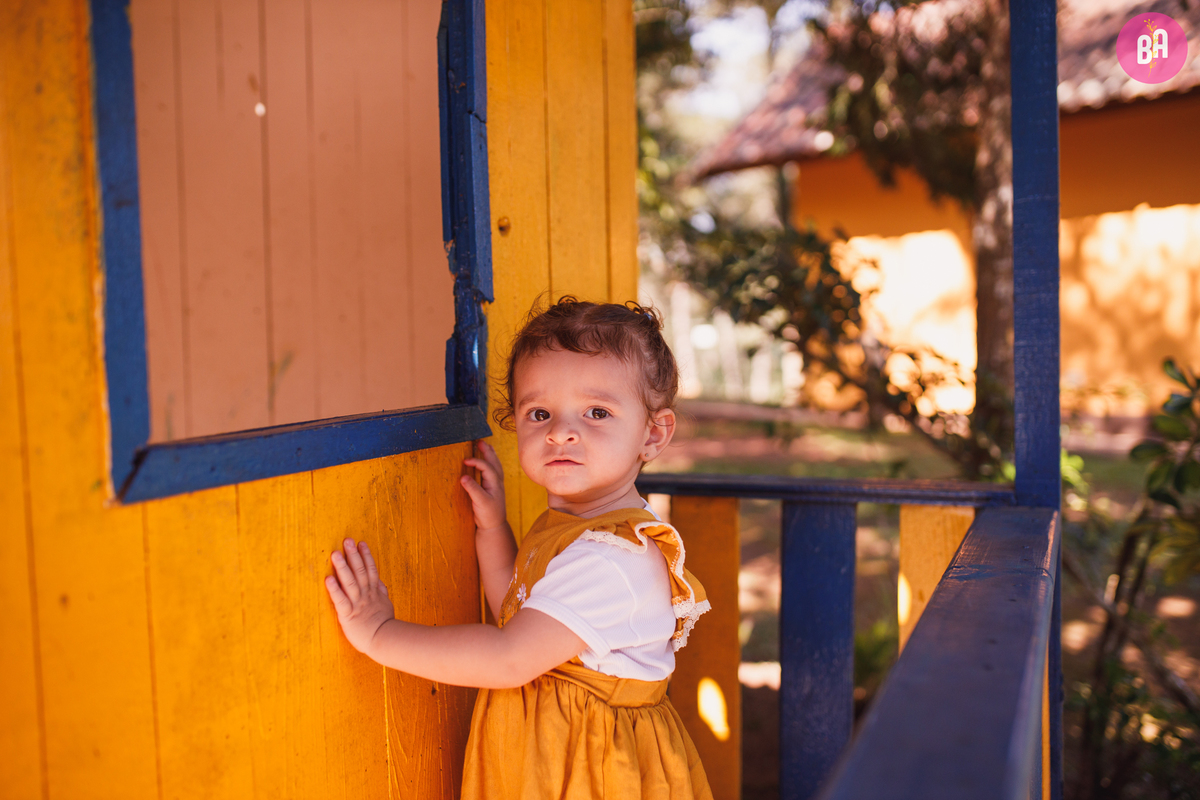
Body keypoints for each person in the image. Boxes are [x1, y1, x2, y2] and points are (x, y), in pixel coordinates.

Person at [324, 297, 713, 799]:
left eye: (597, 412)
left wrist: (379, 634)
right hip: (557, 758)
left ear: (653, 433)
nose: (562, 431)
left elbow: (510, 657)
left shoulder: (613, 558)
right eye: (540, 412)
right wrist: (493, 531)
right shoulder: (576, 529)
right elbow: (519, 608)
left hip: (593, 774)